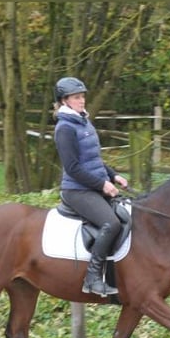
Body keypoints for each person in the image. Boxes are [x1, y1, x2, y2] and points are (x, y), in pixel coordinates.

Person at [53, 76, 128, 297]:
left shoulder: (84, 121)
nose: (82, 100)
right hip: (76, 190)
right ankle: (92, 278)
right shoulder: (64, 128)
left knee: (126, 214)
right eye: (77, 97)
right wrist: (102, 184)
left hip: (92, 185)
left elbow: (93, 160)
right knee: (111, 223)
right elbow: (74, 167)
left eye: (83, 96)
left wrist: (114, 176)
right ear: (65, 101)